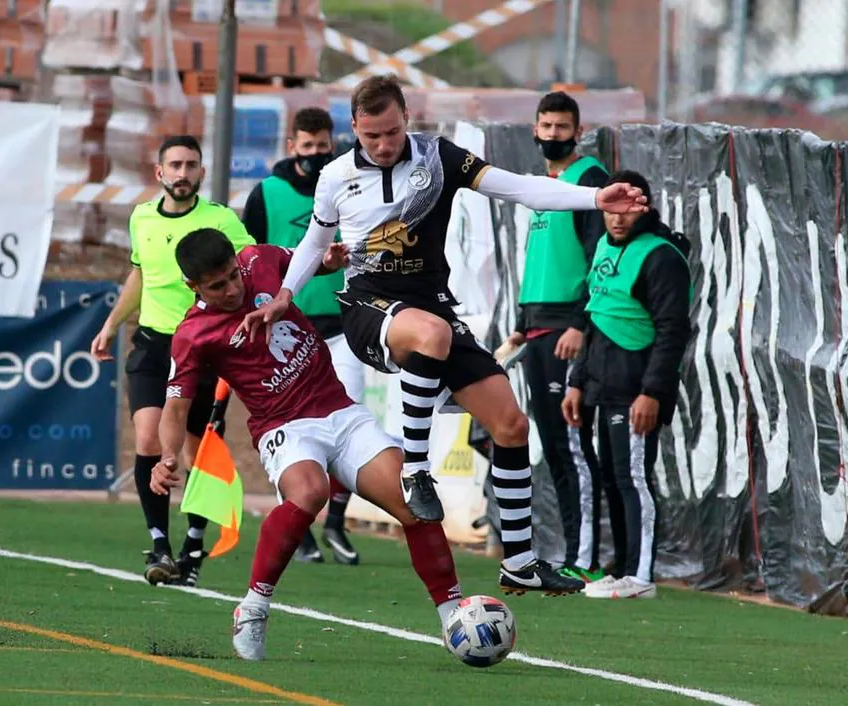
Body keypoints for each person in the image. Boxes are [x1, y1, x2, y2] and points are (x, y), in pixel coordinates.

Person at [237, 74, 648, 597]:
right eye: (371, 137)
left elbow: (518, 187)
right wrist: (284, 296)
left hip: (432, 303)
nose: (384, 146)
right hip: (368, 303)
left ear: (407, 118)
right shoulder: (337, 175)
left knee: (511, 424)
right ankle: (415, 471)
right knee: (430, 335)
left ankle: (519, 560)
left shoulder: (439, 158)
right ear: (356, 131)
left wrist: (596, 197)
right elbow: (316, 244)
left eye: (391, 132)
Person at [150, 229, 467, 661]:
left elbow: (308, 262)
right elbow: (175, 407)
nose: (230, 290)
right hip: (285, 428)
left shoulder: (259, 260)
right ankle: (254, 607)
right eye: (216, 286)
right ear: (194, 287)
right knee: (310, 492)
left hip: (341, 412)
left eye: (230, 277)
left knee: (413, 502)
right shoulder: (193, 333)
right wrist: (167, 455)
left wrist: (330, 261)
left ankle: (455, 619)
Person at [91, 134, 256, 588]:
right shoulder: (142, 217)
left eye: (191, 165)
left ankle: (193, 548)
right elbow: (141, 274)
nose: (183, 173)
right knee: (147, 438)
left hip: (204, 350)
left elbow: (250, 268)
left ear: (201, 172)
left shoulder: (220, 219)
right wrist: (110, 324)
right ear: (159, 172)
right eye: (175, 165)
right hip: (153, 344)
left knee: (195, 453)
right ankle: (160, 543)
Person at [560, 170, 693, 600]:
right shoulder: (602, 246)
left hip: (637, 389)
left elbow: (673, 331)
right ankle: (621, 566)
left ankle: (642, 575)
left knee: (634, 477)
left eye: (630, 210)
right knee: (615, 477)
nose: (618, 219)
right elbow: (595, 313)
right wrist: (578, 381)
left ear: (647, 207)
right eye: (612, 210)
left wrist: (652, 392)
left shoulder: (662, 257)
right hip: (602, 383)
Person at [496, 91, 610, 584]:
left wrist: (580, 325)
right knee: (552, 446)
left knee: (574, 447)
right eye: (546, 126)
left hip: (567, 329)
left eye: (562, 127)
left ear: (577, 132)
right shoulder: (540, 185)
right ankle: (569, 552)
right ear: (534, 130)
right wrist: (521, 321)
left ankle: (586, 557)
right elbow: (538, 259)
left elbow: (597, 256)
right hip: (537, 330)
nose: (553, 135)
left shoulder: (591, 181)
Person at [242, 106, 362, 566]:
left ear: (333, 143)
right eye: (307, 146)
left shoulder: (346, 184)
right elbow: (251, 257)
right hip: (287, 331)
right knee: (294, 429)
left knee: (349, 419)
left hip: (341, 324)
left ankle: (336, 521)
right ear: (291, 146)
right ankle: (300, 522)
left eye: (322, 146)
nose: (315, 154)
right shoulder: (266, 194)